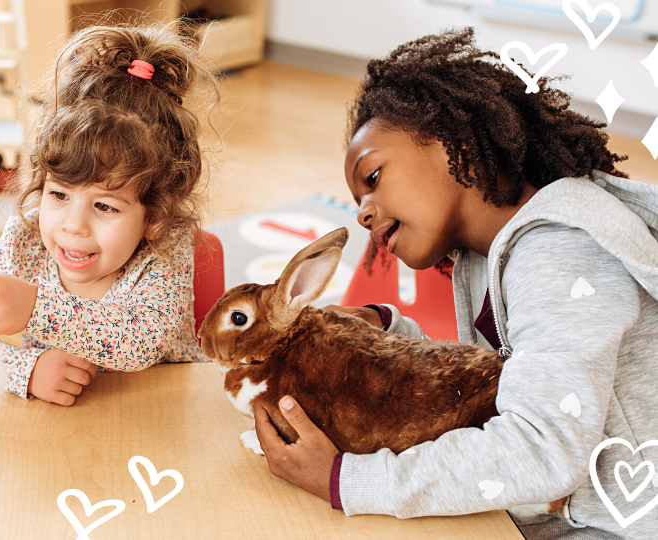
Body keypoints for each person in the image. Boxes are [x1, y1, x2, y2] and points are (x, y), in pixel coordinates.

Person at [253, 27, 658, 539]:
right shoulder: (481, 257)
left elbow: (540, 450)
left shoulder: (559, 249)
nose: (362, 213)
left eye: (372, 178)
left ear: (455, 143)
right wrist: (384, 332)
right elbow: (485, 389)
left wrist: (345, 481)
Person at [0, 22, 218, 406]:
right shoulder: (25, 239)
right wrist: (25, 371)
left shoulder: (168, 248)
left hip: (167, 415)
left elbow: (140, 340)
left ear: (156, 216)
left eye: (104, 206)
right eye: (60, 195)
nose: (72, 225)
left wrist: (32, 308)